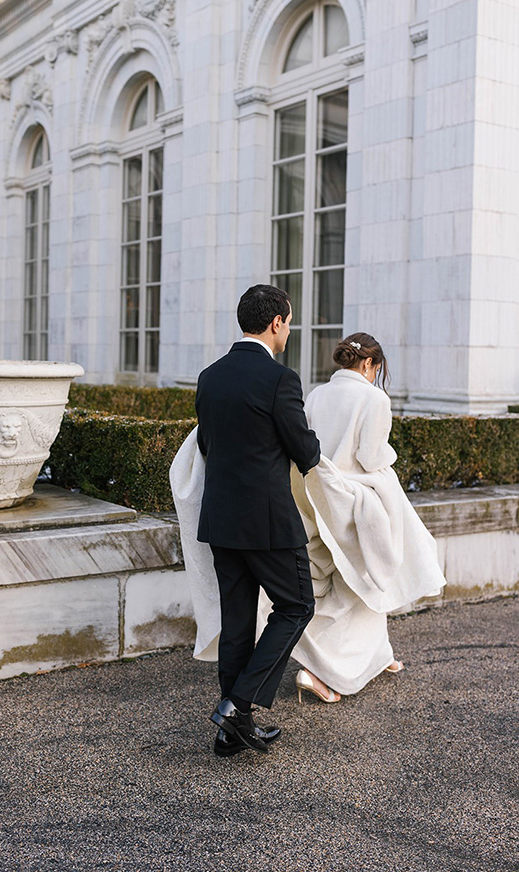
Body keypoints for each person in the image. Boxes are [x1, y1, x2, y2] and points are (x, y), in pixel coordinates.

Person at [283, 333, 446, 703]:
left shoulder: (317, 394)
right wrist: (390, 458)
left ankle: (377, 656)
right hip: (356, 504)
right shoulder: (374, 398)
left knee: (347, 585)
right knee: (361, 587)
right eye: (376, 368)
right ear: (370, 364)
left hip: (317, 502)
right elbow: (371, 457)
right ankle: (319, 671)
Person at [193, 284, 321, 757]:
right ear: (276, 323)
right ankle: (238, 705)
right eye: (289, 322)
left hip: (221, 518)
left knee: (237, 621)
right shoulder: (280, 379)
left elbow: (207, 446)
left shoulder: (210, 376)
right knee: (297, 605)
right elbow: (305, 451)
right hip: (268, 522)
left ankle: (231, 732)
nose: (289, 331)